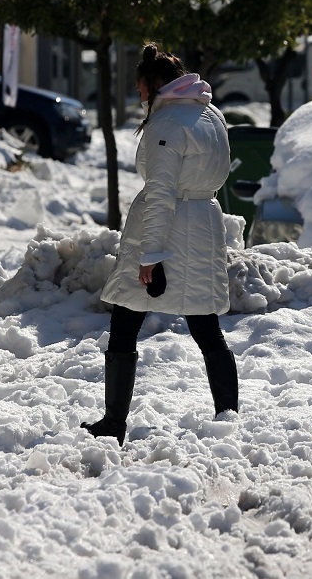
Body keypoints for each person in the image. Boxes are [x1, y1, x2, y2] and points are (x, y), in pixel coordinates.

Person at [82, 42, 238, 446]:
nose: (139, 98)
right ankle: (228, 419)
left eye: (139, 90)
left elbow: (161, 192)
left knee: (125, 319)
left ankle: (114, 422)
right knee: (206, 326)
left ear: (153, 86)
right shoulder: (210, 114)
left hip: (169, 230)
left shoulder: (167, 124)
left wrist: (150, 255)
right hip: (203, 225)